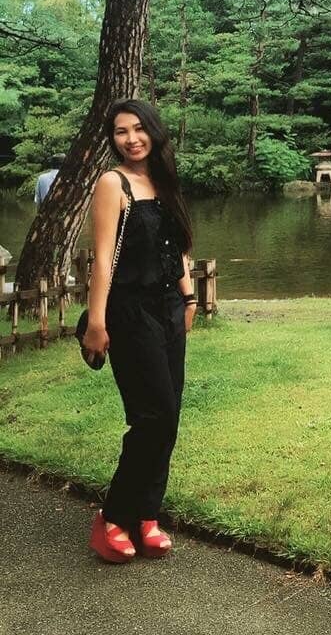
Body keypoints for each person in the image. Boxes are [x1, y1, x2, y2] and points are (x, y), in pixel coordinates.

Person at [82, 99, 197, 563]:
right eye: (120, 131)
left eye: (137, 129)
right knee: (153, 416)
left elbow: (178, 246)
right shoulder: (113, 183)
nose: (131, 139)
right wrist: (96, 321)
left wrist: (189, 297)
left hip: (170, 308)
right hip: (130, 311)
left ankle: (147, 514)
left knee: (170, 417)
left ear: (153, 130)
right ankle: (113, 517)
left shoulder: (165, 180)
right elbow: (103, 260)